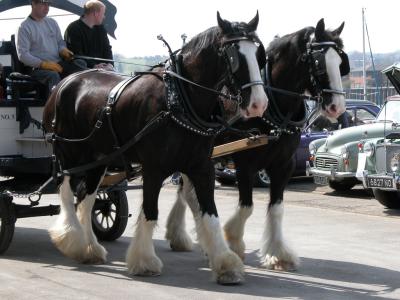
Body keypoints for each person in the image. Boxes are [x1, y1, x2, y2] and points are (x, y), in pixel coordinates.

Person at [16, 0, 86, 97]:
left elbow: (60, 42)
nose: (47, 7)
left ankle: (81, 100)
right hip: (36, 69)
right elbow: (23, 55)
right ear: (33, 4)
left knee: (80, 64)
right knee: (53, 75)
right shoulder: (24, 27)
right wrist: (43, 64)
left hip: (57, 64)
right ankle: (55, 108)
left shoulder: (52, 22)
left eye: (48, 4)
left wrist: (63, 50)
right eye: (43, 3)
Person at [64, 0, 114, 71]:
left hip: (103, 69)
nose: (104, 17)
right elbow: (76, 54)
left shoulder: (101, 29)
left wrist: (110, 64)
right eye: (103, 13)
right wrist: (94, 65)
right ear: (95, 13)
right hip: (83, 71)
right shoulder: (73, 28)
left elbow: (107, 49)